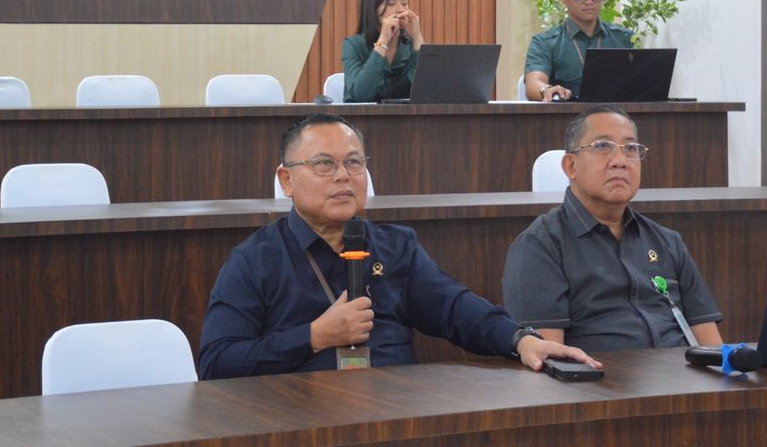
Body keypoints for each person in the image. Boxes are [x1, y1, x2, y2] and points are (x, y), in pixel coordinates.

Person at [199, 114, 600, 379]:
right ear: (286, 180)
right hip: (299, 419)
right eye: (324, 164)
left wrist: (519, 339)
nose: (344, 176)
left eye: (354, 163)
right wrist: (314, 336)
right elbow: (218, 363)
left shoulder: (394, 246)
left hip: (398, 410)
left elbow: (455, 307)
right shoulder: (255, 260)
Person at [502, 105, 723, 351]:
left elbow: (712, 348)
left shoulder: (667, 242)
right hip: (599, 385)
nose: (620, 161)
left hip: (682, 378)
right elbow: (549, 361)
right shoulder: (540, 245)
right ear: (570, 166)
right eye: (602, 147)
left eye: (630, 149)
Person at [523, 0, 634, 102]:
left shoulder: (624, 38)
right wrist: (547, 90)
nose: (589, 2)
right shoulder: (545, 43)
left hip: (615, 117)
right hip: (566, 119)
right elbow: (533, 84)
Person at [341, 0, 425, 102]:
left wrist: (418, 37)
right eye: (391, 3)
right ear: (372, 9)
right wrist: (383, 41)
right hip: (364, 119)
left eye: (404, 3)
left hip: (408, 120)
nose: (401, 10)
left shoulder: (411, 46)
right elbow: (361, 95)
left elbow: (428, 91)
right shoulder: (353, 45)